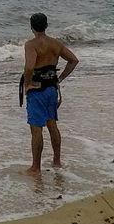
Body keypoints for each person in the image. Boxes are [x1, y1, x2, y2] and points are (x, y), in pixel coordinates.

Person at [22, 13, 79, 175]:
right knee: (52, 125)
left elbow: (29, 66)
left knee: (36, 129)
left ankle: (35, 168)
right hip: (52, 90)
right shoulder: (55, 43)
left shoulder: (31, 45)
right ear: (46, 26)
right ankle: (57, 160)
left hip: (37, 90)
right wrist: (59, 78)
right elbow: (73, 60)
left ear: (31, 26)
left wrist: (27, 85)